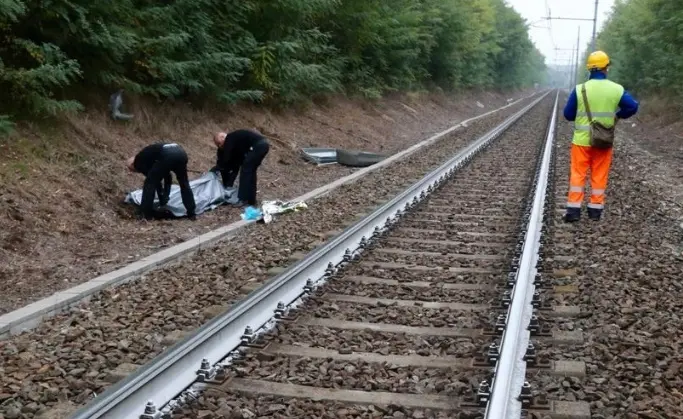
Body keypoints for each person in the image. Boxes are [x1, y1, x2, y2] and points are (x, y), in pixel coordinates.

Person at [562, 50, 639, 223]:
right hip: (603, 140)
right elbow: (633, 106)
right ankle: (595, 211)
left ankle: (573, 211)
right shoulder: (616, 89)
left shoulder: (579, 89)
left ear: (589, 69)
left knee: (578, 174)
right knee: (599, 174)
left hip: (581, 141)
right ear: (606, 68)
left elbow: (567, 114)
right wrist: (618, 116)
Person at [127, 142, 196, 220]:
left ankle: (146, 215)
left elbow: (154, 182)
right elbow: (167, 177)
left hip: (168, 155)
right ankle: (192, 213)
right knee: (184, 183)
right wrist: (164, 197)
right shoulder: (148, 156)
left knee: (149, 184)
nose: (136, 171)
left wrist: (163, 197)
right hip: (181, 153)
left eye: (132, 170)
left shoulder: (138, 162)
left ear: (132, 164)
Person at [211, 129, 270, 207]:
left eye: (219, 143)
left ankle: (242, 199)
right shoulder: (236, 140)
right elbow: (237, 163)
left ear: (222, 138)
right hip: (264, 145)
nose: (220, 146)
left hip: (258, 146)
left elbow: (226, 158)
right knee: (251, 172)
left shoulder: (229, 138)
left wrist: (217, 168)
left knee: (245, 171)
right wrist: (228, 183)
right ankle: (251, 199)